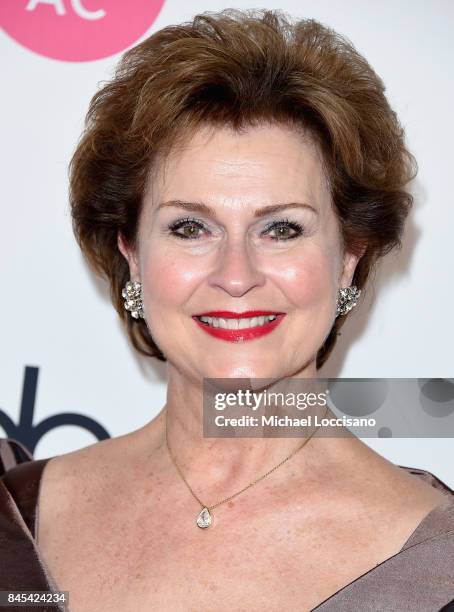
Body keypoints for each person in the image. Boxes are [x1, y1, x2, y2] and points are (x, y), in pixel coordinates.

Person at [1, 8, 453, 612]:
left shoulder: (436, 570)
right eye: (190, 227)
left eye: (282, 229)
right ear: (130, 251)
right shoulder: (16, 516)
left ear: (349, 256)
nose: (235, 276)